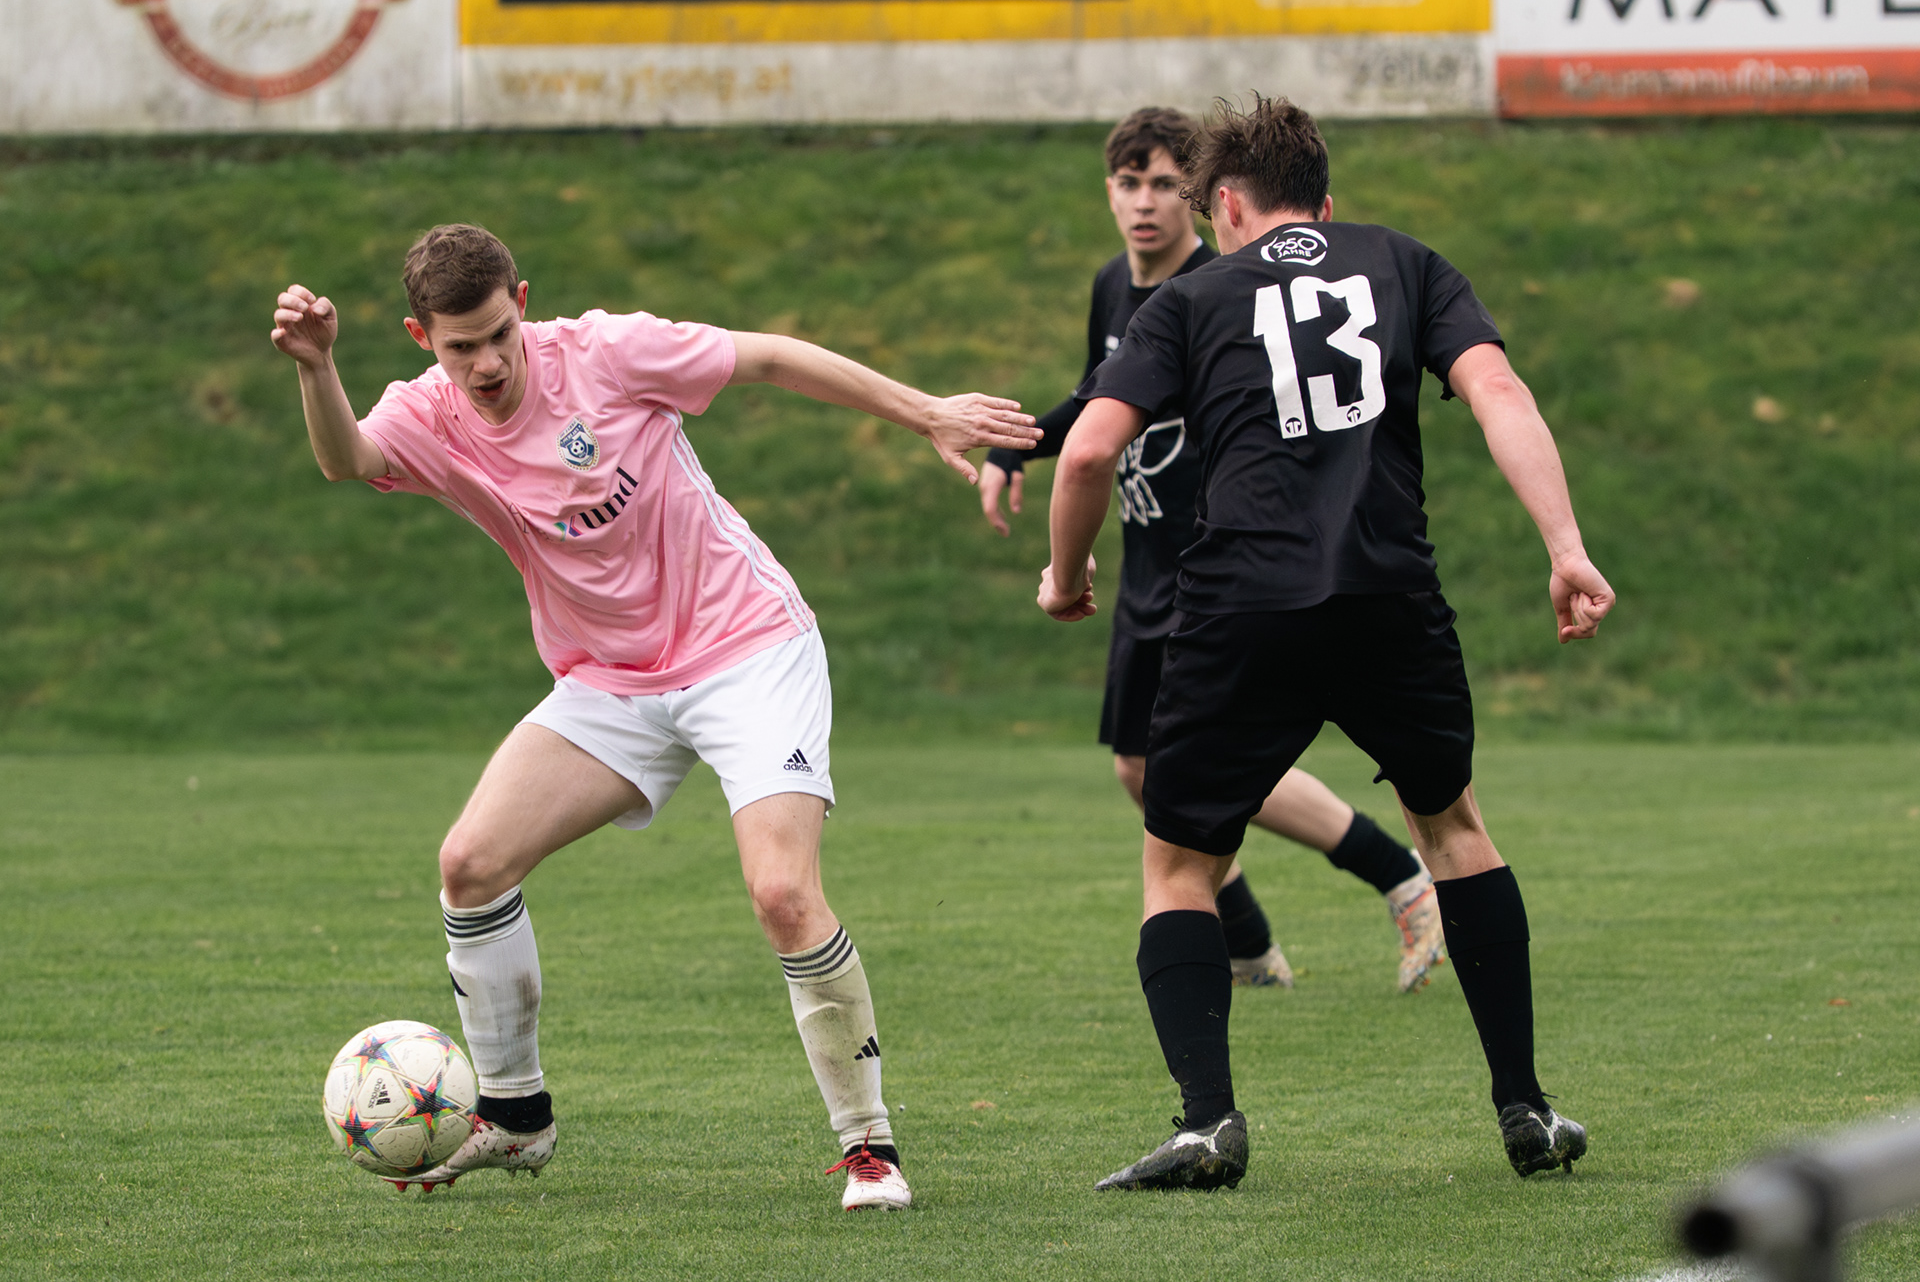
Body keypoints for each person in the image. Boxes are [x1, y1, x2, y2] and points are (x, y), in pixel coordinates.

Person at [271, 223, 1039, 1211]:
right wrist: (317, 367)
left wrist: (924, 410)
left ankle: (869, 1148)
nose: (489, 362)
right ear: (423, 338)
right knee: (471, 863)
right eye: (462, 347)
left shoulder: (607, 352)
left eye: (501, 333)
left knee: (782, 893)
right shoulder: (429, 413)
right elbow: (347, 458)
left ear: (523, 302)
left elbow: (767, 357)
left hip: (747, 647)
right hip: (612, 681)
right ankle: (515, 1116)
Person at [1038, 95, 1614, 1194]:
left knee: (1179, 864)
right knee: (1455, 830)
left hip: (1239, 607)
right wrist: (1566, 547)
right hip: (1389, 594)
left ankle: (1207, 1125)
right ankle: (1527, 1109)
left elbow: (1087, 454)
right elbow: (1498, 391)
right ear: (1326, 203)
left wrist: (1066, 578)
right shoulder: (1406, 262)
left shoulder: (1190, 297)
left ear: (1225, 206)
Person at [979, 106, 1444, 993]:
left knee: (1211, 768)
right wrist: (1016, 446)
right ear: (1109, 192)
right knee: (1140, 768)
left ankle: (1396, 878)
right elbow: (1095, 404)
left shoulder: (1219, 284)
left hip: (1219, 562)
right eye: (1130, 183)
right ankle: (1252, 943)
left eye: (1165, 185)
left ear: (1205, 200)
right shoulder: (1114, 288)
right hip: (1145, 558)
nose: (1145, 202)